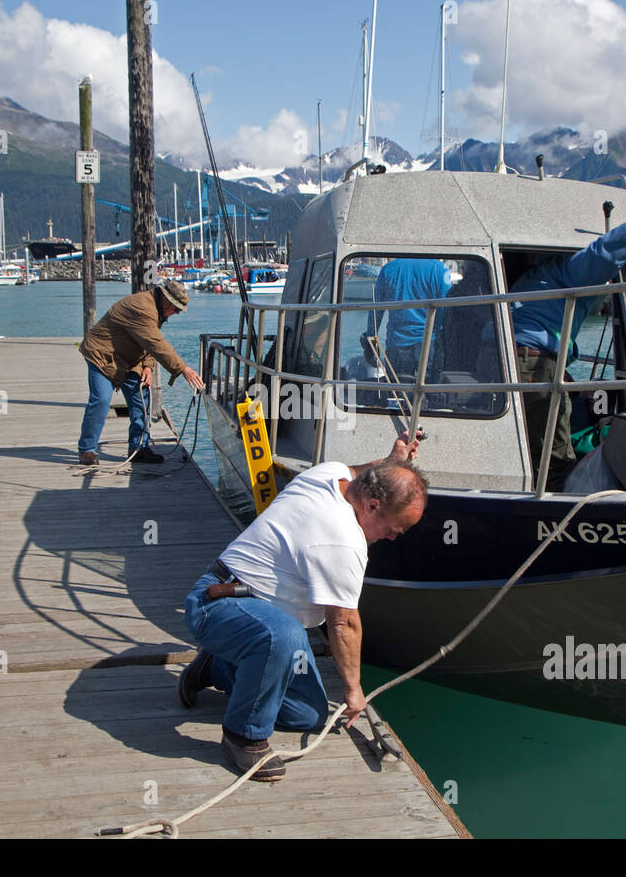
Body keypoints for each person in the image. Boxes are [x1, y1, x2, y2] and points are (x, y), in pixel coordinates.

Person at [178, 435, 427, 781]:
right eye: (394, 528)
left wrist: (393, 460)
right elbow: (343, 625)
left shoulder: (330, 475)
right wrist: (354, 690)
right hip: (216, 603)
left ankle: (215, 667)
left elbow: (364, 472)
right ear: (371, 506)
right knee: (283, 635)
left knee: (306, 714)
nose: (393, 537)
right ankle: (243, 738)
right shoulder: (343, 540)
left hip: (256, 614)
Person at [512, 183, 626, 490]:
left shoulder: (531, 279)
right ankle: (557, 503)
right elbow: (604, 253)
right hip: (533, 363)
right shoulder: (566, 271)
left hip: (519, 358)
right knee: (553, 455)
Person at [76, 279, 205, 466]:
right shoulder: (142, 307)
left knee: (142, 400)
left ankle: (139, 448)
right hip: (102, 356)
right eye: (176, 309)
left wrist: (147, 366)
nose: (176, 313)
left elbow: (148, 341)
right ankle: (87, 449)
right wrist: (183, 368)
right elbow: (155, 343)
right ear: (168, 302)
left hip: (129, 360)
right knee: (101, 400)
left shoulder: (156, 309)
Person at [362, 258, 454, 380]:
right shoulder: (440, 269)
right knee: (430, 391)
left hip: (397, 344)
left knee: (397, 393)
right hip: (429, 344)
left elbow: (375, 310)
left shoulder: (388, 269)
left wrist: (371, 339)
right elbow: (446, 309)